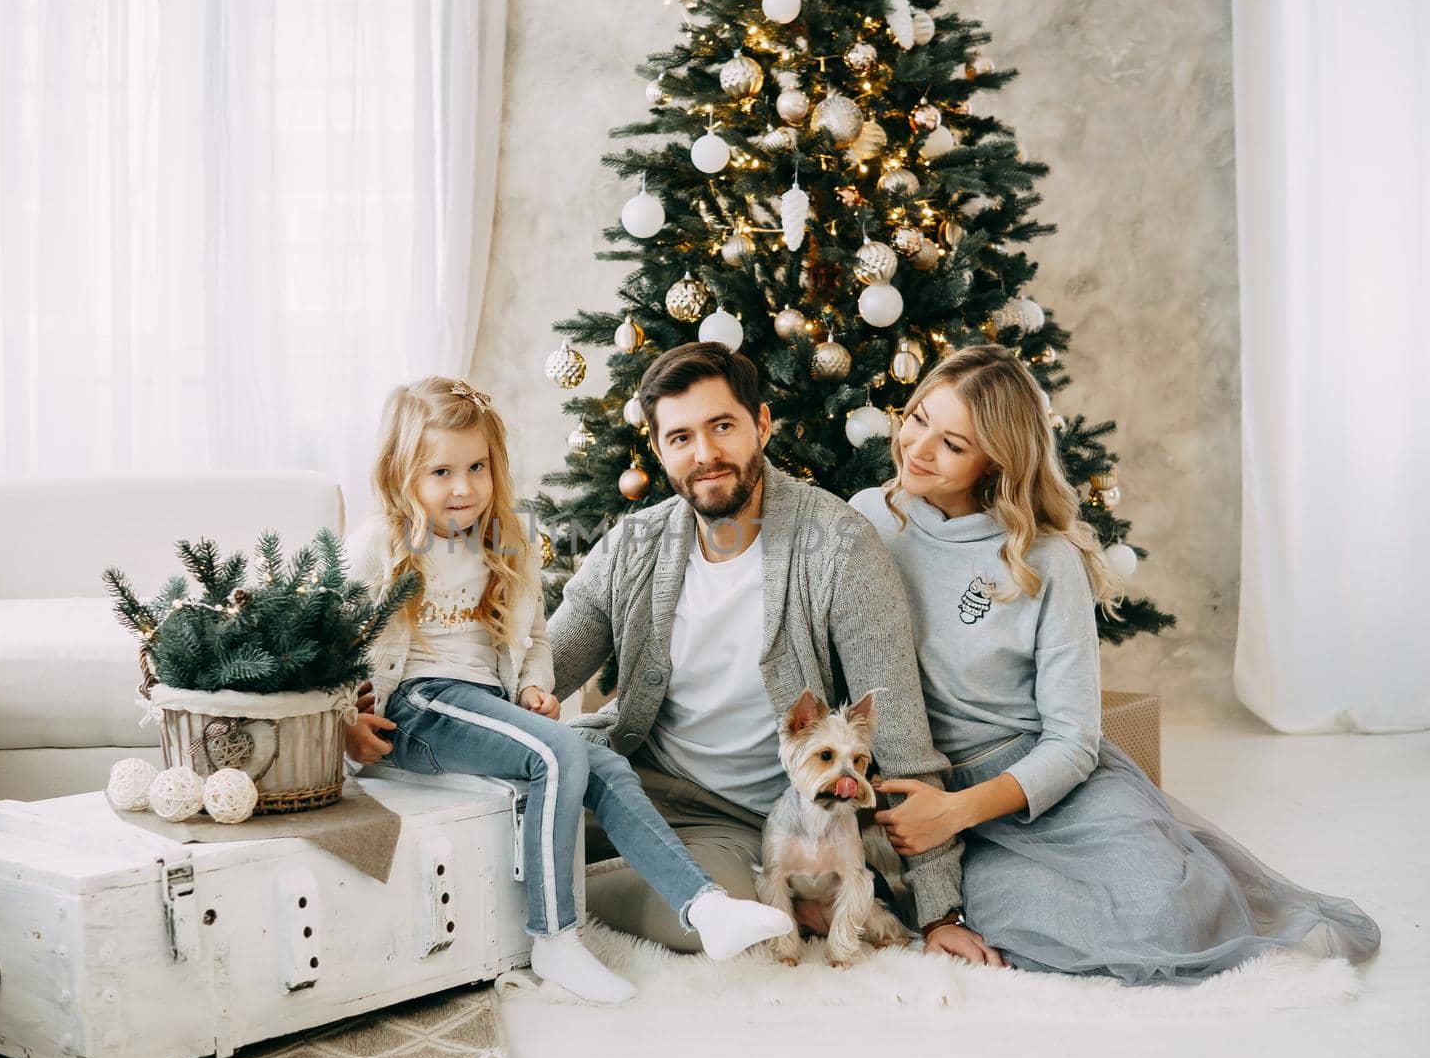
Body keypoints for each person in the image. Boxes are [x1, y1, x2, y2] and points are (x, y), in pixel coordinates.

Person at [848, 344, 1381, 983]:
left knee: (1172, 914)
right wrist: (938, 815)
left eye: (953, 444)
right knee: (1026, 916)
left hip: (1042, 784)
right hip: (941, 798)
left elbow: (1073, 741)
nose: (918, 447)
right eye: (916, 418)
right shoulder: (868, 518)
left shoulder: (1044, 557)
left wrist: (958, 811)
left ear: (997, 461)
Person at [543, 342, 996, 963]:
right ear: (659, 449)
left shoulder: (838, 547)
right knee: (508, 814)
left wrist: (941, 910)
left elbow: (900, 738)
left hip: (746, 821)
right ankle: (541, 874)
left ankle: (536, 895)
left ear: (760, 424)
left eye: (722, 426)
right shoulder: (634, 544)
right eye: (681, 438)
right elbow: (543, 667)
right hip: (636, 779)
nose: (704, 455)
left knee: (721, 919)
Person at [342, 376, 790, 1004]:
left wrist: (532, 690)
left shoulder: (505, 540)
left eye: (477, 467)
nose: (464, 487)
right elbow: (333, 647)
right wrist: (345, 725)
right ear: (401, 473)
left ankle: (705, 906)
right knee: (559, 753)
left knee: (598, 757)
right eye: (440, 472)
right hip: (416, 710)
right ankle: (555, 940)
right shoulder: (381, 547)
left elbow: (533, 638)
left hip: (483, 708)